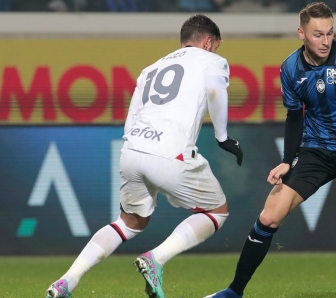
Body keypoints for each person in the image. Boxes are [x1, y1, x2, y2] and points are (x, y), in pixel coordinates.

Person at [205, 2, 336, 298]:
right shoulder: (290, 68)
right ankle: (234, 291)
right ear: (302, 33)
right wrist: (288, 161)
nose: (325, 41)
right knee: (270, 216)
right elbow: (295, 116)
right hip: (316, 150)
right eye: (317, 34)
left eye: (330, 33)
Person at [45, 14, 243, 298]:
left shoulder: (151, 69)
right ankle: (157, 258)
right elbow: (215, 89)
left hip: (133, 149)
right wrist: (222, 136)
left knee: (128, 222)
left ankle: (67, 281)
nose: (216, 52)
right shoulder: (210, 59)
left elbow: (133, 115)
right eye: (216, 46)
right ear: (208, 41)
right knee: (217, 211)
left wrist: (136, 146)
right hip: (169, 153)